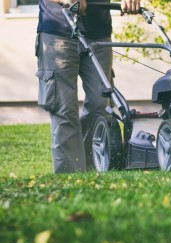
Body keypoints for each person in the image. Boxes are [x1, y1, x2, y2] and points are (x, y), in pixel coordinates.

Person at [35, 0, 140, 173]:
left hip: (99, 33)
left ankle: (92, 170)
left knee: (100, 105)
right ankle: (70, 175)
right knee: (64, 108)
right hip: (58, 31)